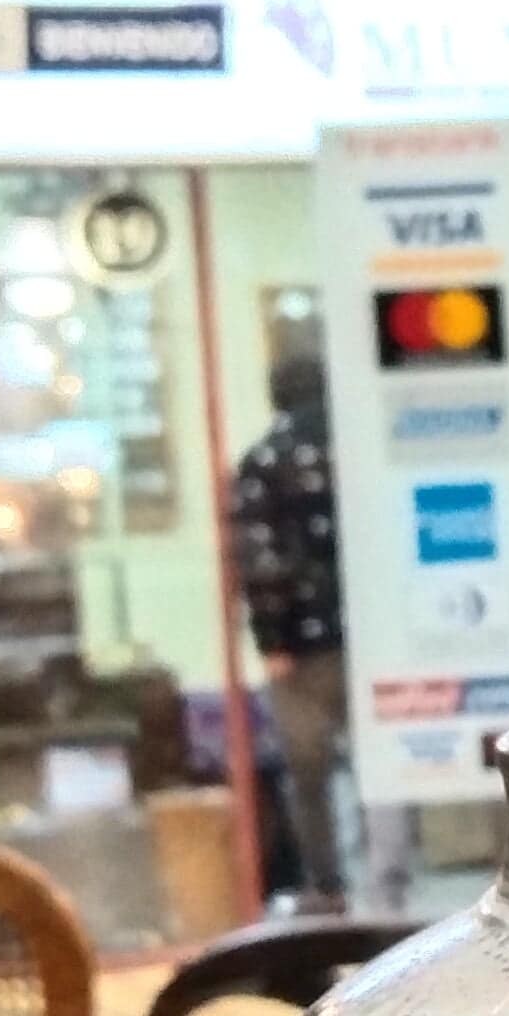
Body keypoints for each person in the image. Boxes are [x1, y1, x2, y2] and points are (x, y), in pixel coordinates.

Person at [225, 348, 348, 905]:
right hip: (370, 638)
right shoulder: (357, 449)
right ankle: (390, 878)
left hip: (301, 644)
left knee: (309, 773)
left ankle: (328, 886)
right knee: (382, 764)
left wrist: (272, 640)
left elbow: (259, 559)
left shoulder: (262, 462)